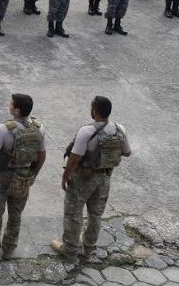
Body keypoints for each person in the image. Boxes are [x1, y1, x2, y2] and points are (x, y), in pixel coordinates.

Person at [52, 96, 131, 265]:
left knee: (74, 213)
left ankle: (71, 251)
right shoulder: (119, 129)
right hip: (104, 178)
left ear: (94, 111)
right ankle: (88, 250)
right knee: (96, 215)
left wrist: (65, 176)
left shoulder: (87, 131)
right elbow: (126, 152)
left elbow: (74, 158)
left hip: (83, 179)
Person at [0, 94, 45, 261]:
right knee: (16, 214)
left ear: (17, 110)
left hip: (2, 176)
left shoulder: (4, 129)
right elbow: (42, 155)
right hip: (23, 176)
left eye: (11, 104)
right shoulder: (39, 128)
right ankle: (8, 249)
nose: (9, 105)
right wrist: (33, 175)